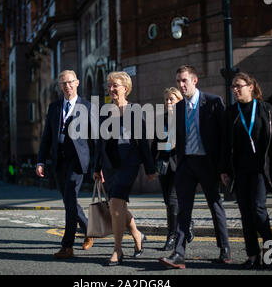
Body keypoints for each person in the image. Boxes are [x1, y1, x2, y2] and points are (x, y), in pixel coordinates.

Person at [160, 65, 231, 269]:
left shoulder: (213, 102)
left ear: (194, 80)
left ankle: (224, 249)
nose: (181, 85)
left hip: (208, 164)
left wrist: (224, 168)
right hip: (186, 165)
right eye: (178, 81)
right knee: (184, 210)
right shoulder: (179, 108)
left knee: (215, 205)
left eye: (184, 80)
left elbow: (224, 138)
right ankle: (179, 253)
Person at [220, 72, 272, 269]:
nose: (235, 90)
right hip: (240, 171)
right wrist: (224, 170)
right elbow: (225, 144)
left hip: (259, 170)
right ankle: (253, 255)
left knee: (258, 210)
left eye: (239, 85)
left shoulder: (265, 109)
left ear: (250, 86)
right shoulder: (231, 112)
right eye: (233, 87)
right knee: (246, 214)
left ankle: (270, 255)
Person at [93, 71, 156, 266]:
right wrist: (96, 168)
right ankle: (137, 234)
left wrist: (149, 168)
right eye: (110, 85)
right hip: (110, 164)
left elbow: (143, 141)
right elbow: (99, 143)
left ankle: (117, 250)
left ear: (125, 88)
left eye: (115, 85)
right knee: (117, 205)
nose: (111, 89)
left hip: (129, 162)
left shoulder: (135, 110)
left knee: (116, 202)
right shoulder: (104, 111)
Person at [36, 70, 95, 259]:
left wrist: (98, 166)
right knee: (69, 201)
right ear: (59, 86)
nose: (67, 86)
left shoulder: (87, 106)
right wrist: (41, 160)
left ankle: (67, 246)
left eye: (70, 82)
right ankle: (89, 229)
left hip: (77, 160)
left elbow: (96, 139)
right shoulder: (53, 107)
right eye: (63, 84)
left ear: (77, 83)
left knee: (70, 199)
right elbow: (46, 137)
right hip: (59, 159)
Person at [151, 87, 194, 251]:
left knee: (172, 201)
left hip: (181, 165)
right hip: (163, 166)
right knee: (169, 201)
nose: (169, 102)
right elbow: (155, 144)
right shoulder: (160, 119)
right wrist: (152, 166)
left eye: (172, 99)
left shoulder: (186, 118)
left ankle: (172, 236)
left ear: (179, 101)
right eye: (167, 99)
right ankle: (188, 222)